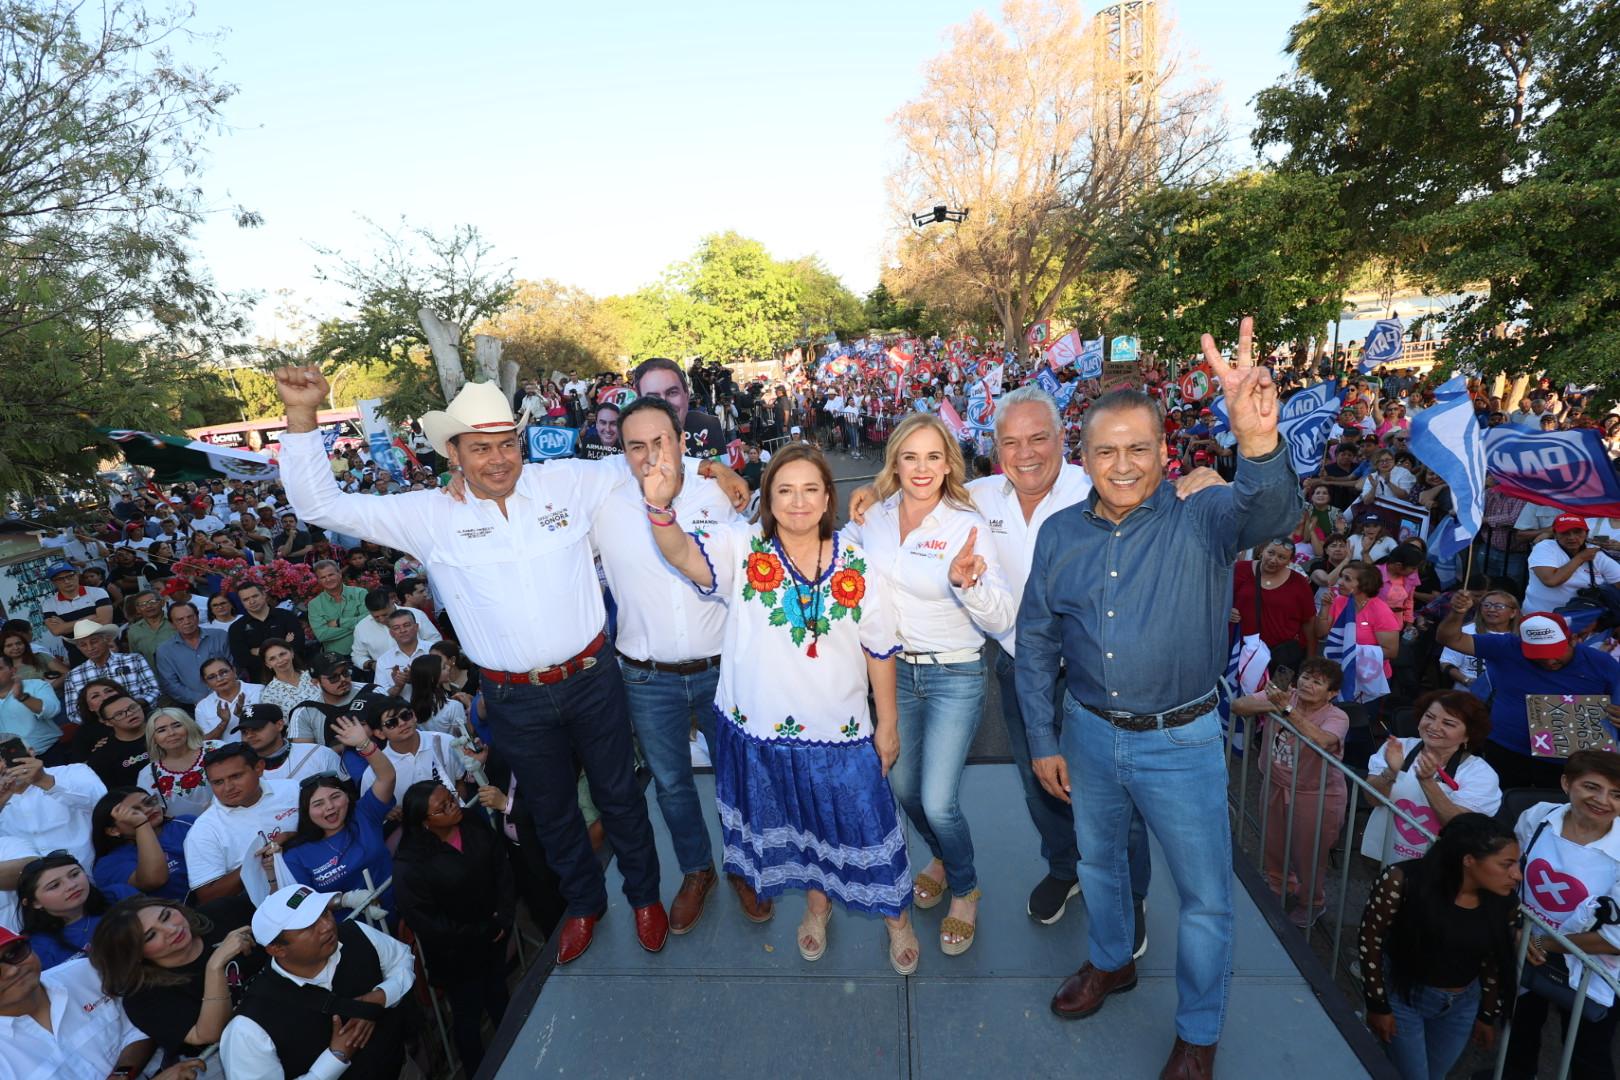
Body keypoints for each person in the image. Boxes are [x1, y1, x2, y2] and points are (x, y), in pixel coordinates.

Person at [275, 369, 669, 964]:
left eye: (507, 442)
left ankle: (645, 898)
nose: (498, 458)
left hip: (592, 678)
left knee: (620, 796)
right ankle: (585, 906)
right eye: (480, 447)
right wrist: (303, 416)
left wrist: (717, 475)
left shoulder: (567, 482)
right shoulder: (428, 514)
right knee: (551, 812)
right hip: (514, 698)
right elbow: (317, 503)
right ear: (452, 453)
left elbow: (652, 463)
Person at [1017, 322, 1300, 1077]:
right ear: (1083, 459)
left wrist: (1258, 441)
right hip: (1087, 735)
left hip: (1183, 744)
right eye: (1105, 450)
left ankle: (1199, 1034)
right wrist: (1044, 739)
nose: (1122, 464)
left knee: (1205, 899)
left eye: (1138, 448)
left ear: (1164, 453)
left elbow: (1272, 514)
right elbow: (1037, 642)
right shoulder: (1058, 537)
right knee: (1101, 866)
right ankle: (1112, 961)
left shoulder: (1202, 518)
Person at [639, 438, 920, 973]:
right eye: (784, 490)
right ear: (768, 500)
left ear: (826, 497)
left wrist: (888, 724)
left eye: (810, 489)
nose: (798, 501)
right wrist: (659, 507)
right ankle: (818, 906)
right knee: (800, 825)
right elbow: (680, 552)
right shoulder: (742, 550)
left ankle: (897, 918)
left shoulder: (857, 560)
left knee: (864, 824)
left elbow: (879, 647)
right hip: (762, 736)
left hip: (841, 734)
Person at [843, 412, 1013, 956]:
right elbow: (828, 559)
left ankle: (964, 888)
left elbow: (1002, 613)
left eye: (933, 457)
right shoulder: (873, 515)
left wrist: (969, 584)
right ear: (894, 460)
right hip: (893, 675)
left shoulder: (965, 522)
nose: (922, 468)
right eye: (910, 457)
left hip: (954, 673)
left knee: (939, 801)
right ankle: (940, 857)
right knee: (903, 788)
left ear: (949, 464)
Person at [594, 397, 739, 932]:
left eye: (661, 441)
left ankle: (744, 868)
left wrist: (715, 468)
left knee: (736, 775)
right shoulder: (604, 505)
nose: (651, 454)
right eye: (636, 446)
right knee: (673, 784)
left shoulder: (719, 495)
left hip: (723, 667)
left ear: (682, 441)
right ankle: (698, 870)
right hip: (646, 676)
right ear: (622, 451)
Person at [1357, 814, 1518, 1080]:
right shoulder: (1401, 880)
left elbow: (1494, 959)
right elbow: (1370, 940)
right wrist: (1378, 1005)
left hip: (1462, 1008)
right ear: (1468, 860)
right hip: (1405, 999)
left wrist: (1487, 1015)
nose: (1517, 875)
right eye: (1506, 864)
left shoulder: (1504, 900)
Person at [220, 883, 416, 1080]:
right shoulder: (247, 1029)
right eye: (309, 925)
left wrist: (382, 996)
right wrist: (334, 1059)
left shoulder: (356, 933)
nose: (327, 925)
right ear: (276, 949)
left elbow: (402, 959)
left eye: (325, 913)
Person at [1505, 750, 1620, 1078]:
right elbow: (1512, 874)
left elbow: (1617, 938)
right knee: (1519, 1029)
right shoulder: (1538, 816)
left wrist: (1543, 943)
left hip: (1594, 970)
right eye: (1591, 787)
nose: (1602, 801)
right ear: (1566, 783)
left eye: (1616, 794)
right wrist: (1515, 930)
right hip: (1524, 949)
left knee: (1588, 1052)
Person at [393, 780, 514, 1073]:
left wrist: (504, 916)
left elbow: (500, 864)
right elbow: (427, 920)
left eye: (452, 799)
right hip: (457, 956)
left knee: (500, 995)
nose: (454, 806)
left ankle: (515, 1044)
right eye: (443, 807)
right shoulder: (410, 863)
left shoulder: (469, 820)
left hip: (495, 934)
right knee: (468, 1016)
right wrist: (480, 932)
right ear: (424, 822)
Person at [1436, 600, 1620, 790]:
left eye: (1556, 652)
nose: (1549, 661)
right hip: (1506, 749)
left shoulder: (1600, 662)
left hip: (1567, 761)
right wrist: (1457, 613)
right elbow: (1449, 639)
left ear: (1573, 640)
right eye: (1538, 655)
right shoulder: (1507, 646)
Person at [1231, 657, 1349, 928]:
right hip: (1276, 785)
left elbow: (1323, 740)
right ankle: (1276, 884)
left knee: (1308, 852)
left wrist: (1285, 709)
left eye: (1318, 682)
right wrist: (1274, 701)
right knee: (1273, 841)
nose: (1308, 684)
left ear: (1331, 693)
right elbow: (1239, 706)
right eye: (1306, 677)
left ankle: (1312, 903)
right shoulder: (1286, 694)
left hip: (1316, 795)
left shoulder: (1337, 716)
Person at [88, 897, 261, 1062]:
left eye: (166, 916)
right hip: (233, 1052)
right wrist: (214, 966)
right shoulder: (142, 998)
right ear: (134, 955)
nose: (171, 929)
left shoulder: (223, 911)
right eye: (151, 936)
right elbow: (210, 1034)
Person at [0, 929, 182, 1080]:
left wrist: (122, 1075)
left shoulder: (85, 971)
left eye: (14, 953)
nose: (12, 971)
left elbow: (140, 1026)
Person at [1363, 691, 1503, 863]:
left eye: (1448, 723)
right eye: (1429, 716)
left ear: (1468, 734)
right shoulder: (1399, 748)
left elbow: (1460, 827)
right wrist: (1391, 772)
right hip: (1383, 853)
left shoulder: (1480, 774)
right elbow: (1372, 799)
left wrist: (1427, 781)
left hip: (1439, 868)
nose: (1434, 727)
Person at [183, 743, 300, 902]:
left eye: (236, 776)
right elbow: (208, 896)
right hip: (266, 907)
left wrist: (290, 837)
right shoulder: (203, 831)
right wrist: (254, 862)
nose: (228, 787)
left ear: (259, 768)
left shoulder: (292, 789)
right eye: (218, 782)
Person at [18, 852, 135, 969]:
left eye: (74, 874)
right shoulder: (38, 948)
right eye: (54, 886)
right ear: (35, 903)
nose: (71, 885)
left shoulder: (119, 895)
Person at [90, 786, 194, 901]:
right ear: (113, 830)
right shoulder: (109, 864)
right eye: (134, 812)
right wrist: (141, 824)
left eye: (149, 802)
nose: (147, 809)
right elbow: (154, 880)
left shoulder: (185, 822)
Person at [1232, 538, 1318, 660]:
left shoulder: (1299, 583)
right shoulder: (1240, 569)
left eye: (1282, 557)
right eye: (1270, 553)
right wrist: (1226, 612)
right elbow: (1218, 599)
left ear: (1289, 561)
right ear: (1262, 551)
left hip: (1279, 656)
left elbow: (1309, 622)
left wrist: (1310, 659)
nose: (1273, 560)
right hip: (1237, 650)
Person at [1525, 514, 1620, 614]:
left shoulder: (1595, 553)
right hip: (1542, 617)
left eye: (1577, 532)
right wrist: (1580, 558)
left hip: (1582, 620)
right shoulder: (1544, 547)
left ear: (1586, 533)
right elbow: (1551, 581)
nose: (1571, 537)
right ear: (1555, 534)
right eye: (1565, 532)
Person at [634, 356, 725, 458]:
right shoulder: (630, 438)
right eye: (653, 397)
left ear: (687, 394)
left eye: (672, 393)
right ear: (639, 402)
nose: (665, 404)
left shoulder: (709, 426)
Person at [139, 708, 217, 818]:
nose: (171, 733)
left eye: (177, 725)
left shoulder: (215, 748)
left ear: (188, 727)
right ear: (153, 738)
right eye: (161, 730)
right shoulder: (148, 775)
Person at [62, 621, 158, 711]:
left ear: (106, 639)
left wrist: (130, 708)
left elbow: (153, 690)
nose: (90, 648)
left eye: (94, 641)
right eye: (83, 645)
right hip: (100, 727)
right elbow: (74, 712)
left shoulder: (134, 660)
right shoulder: (72, 676)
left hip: (141, 714)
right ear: (78, 648)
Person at [152, 601, 230, 708]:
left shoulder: (220, 636)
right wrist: (202, 699)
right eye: (180, 619)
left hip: (230, 696)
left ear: (197, 617)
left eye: (190, 617)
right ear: (172, 624)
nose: (187, 622)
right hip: (194, 706)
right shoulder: (164, 650)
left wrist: (225, 692)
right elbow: (170, 684)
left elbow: (234, 666)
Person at [350, 587, 440, 679]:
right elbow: (357, 656)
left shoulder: (416, 615)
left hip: (425, 673)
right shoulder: (362, 627)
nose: (382, 619)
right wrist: (372, 664)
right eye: (376, 617)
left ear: (392, 602)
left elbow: (435, 641)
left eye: (385, 614)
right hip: (386, 678)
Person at [239, 703, 343, 782]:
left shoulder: (317, 753)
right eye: (244, 732)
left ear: (279, 725)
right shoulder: (240, 769)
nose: (249, 735)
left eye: (257, 728)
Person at [1437, 590, 1519, 691]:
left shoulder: (1520, 636)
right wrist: (1467, 681)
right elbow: (1446, 664)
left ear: (1513, 613)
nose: (1491, 609)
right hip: (1468, 695)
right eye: (1486, 605)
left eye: (1499, 606)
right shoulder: (1466, 631)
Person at [39, 563, 114, 667]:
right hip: (76, 652)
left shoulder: (97, 592)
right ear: (53, 582)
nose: (66, 581)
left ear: (77, 575)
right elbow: (56, 630)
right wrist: (90, 618)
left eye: (70, 576)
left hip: (104, 646)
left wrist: (66, 625)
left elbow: (105, 621)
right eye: (60, 579)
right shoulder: (49, 604)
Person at [224, 582, 300, 675]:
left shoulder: (286, 616)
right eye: (246, 599)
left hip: (295, 672)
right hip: (261, 681)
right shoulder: (236, 628)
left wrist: (260, 652)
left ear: (264, 595)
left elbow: (298, 646)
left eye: (255, 596)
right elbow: (243, 660)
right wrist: (284, 645)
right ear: (241, 602)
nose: (251, 602)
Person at [289, 651, 364, 744]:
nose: (343, 679)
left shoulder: (371, 691)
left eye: (345, 673)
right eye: (333, 677)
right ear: (316, 682)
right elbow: (305, 754)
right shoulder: (304, 712)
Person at [0, 653, 63, 761]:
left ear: (13, 670)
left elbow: (52, 711)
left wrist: (23, 697)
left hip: (48, 754)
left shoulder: (36, 685)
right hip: (8, 763)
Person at [84, 693, 154, 790]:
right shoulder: (102, 756)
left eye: (132, 707)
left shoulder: (167, 731)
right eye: (119, 714)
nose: (130, 714)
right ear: (108, 722)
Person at [308, 559, 370, 658]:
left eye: (331, 575)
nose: (328, 579)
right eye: (323, 577)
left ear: (339, 574)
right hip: (337, 657)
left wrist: (339, 623)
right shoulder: (314, 605)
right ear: (319, 581)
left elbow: (369, 619)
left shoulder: (360, 593)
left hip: (367, 652)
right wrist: (356, 624)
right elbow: (322, 635)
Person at [192, 656, 263, 741]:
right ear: (205, 682)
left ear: (234, 671)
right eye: (211, 677)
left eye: (224, 672)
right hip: (226, 753)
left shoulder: (259, 691)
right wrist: (223, 723)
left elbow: (272, 724)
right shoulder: (203, 707)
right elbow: (205, 742)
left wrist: (243, 716)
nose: (219, 679)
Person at [373, 609, 432, 698]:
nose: (402, 630)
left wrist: (416, 679)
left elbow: (447, 683)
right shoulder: (383, 660)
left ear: (416, 627)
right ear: (391, 633)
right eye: (396, 628)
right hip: (403, 710)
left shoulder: (432, 650)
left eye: (406, 625)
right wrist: (397, 687)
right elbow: (380, 696)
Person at [259, 639, 319, 716]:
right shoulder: (269, 694)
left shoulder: (313, 675)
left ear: (292, 653)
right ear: (267, 664)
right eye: (272, 658)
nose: (280, 660)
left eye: (282, 654)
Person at [0, 628, 68, 691]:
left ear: (25, 644)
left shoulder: (40, 657)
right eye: (9, 645)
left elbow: (67, 673)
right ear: (2, 649)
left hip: (52, 699)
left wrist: (48, 688)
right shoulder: (2, 668)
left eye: (19, 643)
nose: (16, 647)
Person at [121, 591, 176, 668]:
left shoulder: (175, 621)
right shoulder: (133, 631)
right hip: (153, 677)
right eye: (143, 604)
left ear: (162, 602)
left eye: (152, 602)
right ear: (138, 609)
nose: (148, 606)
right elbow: (136, 658)